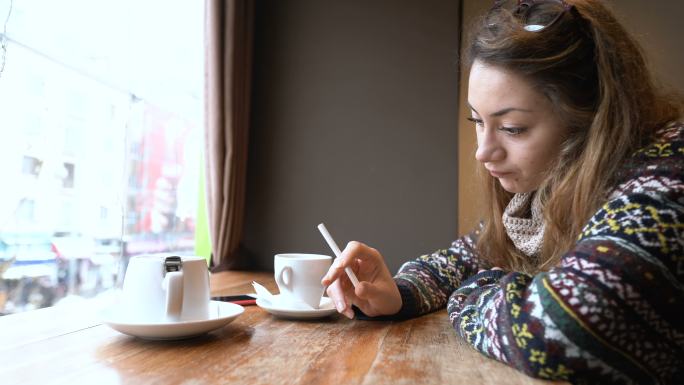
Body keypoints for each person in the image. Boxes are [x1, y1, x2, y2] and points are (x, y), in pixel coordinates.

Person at [321, 0, 683, 384]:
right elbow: (466, 259)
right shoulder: (541, 196)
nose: (483, 151)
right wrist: (399, 293)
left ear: (592, 120)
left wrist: (473, 292)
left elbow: (564, 331)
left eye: (512, 128)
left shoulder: (668, 176)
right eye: (478, 121)